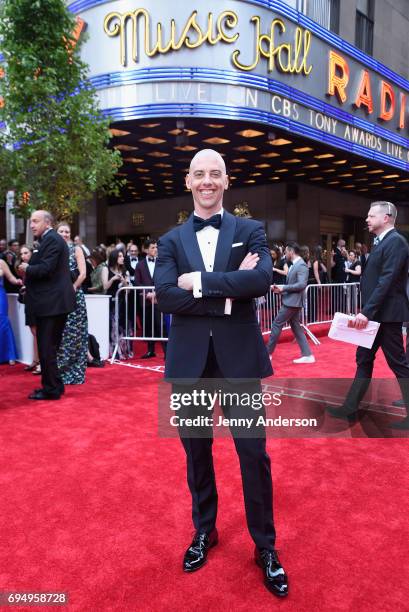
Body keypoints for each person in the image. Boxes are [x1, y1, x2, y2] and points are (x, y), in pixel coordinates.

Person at [154, 149, 288, 598]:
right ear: (188, 181)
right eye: (199, 174)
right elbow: (166, 297)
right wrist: (230, 289)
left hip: (240, 361)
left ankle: (265, 546)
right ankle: (203, 531)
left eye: (215, 174)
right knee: (196, 456)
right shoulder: (171, 239)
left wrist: (200, 282)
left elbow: (262, 281)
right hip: (189, 363)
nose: (207, 181)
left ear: (227, 181)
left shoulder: (250, 231)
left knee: (254, 456)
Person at [327, 201, 409, 429]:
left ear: (386, 217)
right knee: (363, 360)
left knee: (398, 365)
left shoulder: (396, 242)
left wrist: (366, 312)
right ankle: (350, 408)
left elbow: (387, 281)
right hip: (375, 314)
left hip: (387, 315)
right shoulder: (383, 242)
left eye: (371, 216)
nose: (366, 219)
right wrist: (367, 312)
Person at [18, 210, 75, 400]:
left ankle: (51, 389)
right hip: (52, 303)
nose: (32, 225)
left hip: (52, 304)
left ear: (47, 222)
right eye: (31, 222)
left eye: (35, 221)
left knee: (47, 348)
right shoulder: (49, 240)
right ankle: (54, 386)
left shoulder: (52, 240)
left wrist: (28, 268)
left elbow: (46, 269)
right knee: (48, 348)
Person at [266, 242, 315, 364]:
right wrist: (281, 289)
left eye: (286, 251)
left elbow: (302, 284)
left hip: (292, 302)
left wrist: (284, 288)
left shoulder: (301, 265)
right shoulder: (295, 264)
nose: (284, 254)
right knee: (296, 327)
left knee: (277, 324)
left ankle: (267, 354)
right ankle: (308, 355)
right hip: (292, 301)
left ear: (291, 251)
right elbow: (294, 284)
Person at [56, 223, 88, 385]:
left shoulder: (76, 249)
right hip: (57, 299)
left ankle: (75, 373)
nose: (64, 234)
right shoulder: (54, 250)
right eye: (61, 231)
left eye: (67, 231)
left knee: (75, 335)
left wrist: (73, 287)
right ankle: (60, 372)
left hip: (74, 297)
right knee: (60, 335)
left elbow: (83, 273)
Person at [134, 240, 166, 359]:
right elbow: (137, 282)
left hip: (159, 300)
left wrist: (156, 293)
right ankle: (150, 350)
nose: (155, 249)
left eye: (156, 247)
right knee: (147, 325)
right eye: (152, 248)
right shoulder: (140, 265)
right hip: (146, 301)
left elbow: (165, 279)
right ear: (146, 250)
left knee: (161, 325)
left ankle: (166, 352)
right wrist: (147, 294)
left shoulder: (162, 263)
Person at [16, 244, 41, 373]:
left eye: (26, 253)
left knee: (37, 333)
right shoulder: (25, 268)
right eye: (21, 254)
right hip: (29, 301)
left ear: (32, 253)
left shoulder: (34, 267)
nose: (23, 256)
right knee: (34, 332)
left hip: (36, 302)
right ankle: (36, 360)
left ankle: (41, 362)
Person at [0, 258, 22, 365]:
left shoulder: (1, 262)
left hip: (0, 295)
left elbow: (11, 278)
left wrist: (18, 281)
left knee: (3, 321)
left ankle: (9, 354)